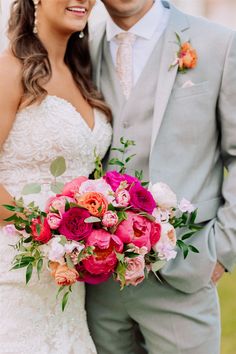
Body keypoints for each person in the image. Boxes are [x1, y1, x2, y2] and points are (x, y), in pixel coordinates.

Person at [86, 0, 236, 353]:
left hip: (183, 276)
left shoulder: (218, 43)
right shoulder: (80, 46)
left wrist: (220, 252)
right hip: (98, 289)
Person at [0, 0, 112, 353]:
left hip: (69, 284)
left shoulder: (83, 74)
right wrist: (44, 234)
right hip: (17, 276)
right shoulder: (10, 70)